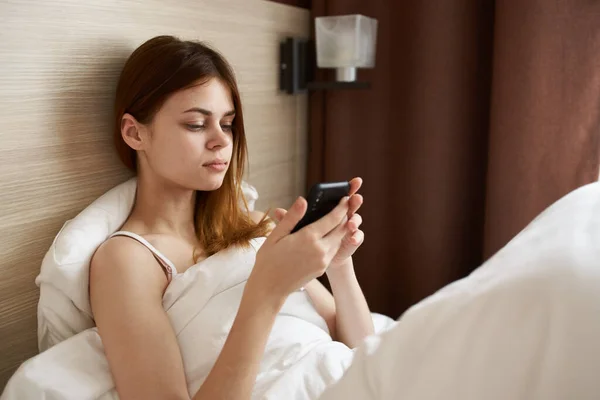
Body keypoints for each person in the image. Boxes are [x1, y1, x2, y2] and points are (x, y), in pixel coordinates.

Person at [91, 35, 374, 399]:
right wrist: (265, 292)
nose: (221, 141)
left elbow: (365, 351)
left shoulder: (256, 226)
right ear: (135, 133)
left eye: (227, 124)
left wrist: (338, 265)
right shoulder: (128, 261)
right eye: (196, 124)